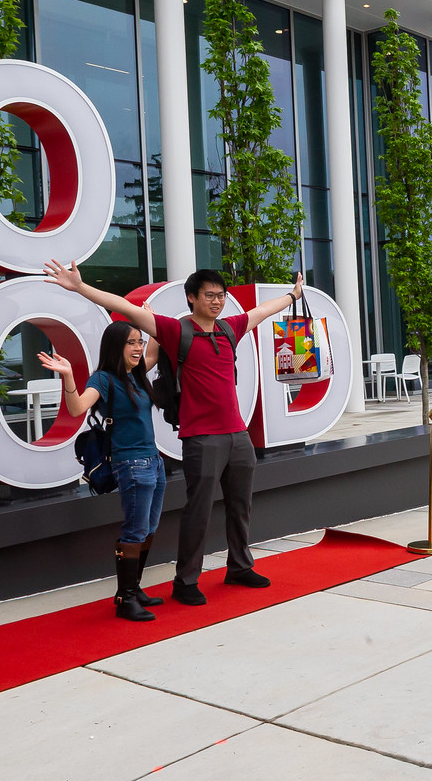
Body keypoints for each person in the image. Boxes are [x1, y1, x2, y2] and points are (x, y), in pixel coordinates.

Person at [43, 261, 304, 606]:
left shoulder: (229, 329)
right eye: (209, 295)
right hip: (201, 437)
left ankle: (240, 566)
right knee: (199, 510)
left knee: (241, 506)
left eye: (221, 295)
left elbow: (261, 311)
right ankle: (185, 580)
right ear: (191, 298)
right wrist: (80, 287)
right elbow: (123, 307)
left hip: (238, 434)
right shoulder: (175, 330)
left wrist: (292, 295)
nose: (217, 301)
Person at [42, 322, 165, 621]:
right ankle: (125, 599)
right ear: (115, 347)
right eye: (131, 343)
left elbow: (155, 350)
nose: (138, 348)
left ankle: (133, 588)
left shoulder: (135, 375)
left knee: (148, 529)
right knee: (134, 531)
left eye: (140, 341)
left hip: (154, 461)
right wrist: (69, 376)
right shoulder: (105, 379)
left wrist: (151, 321)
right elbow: (77, 408)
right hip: (131, 465)